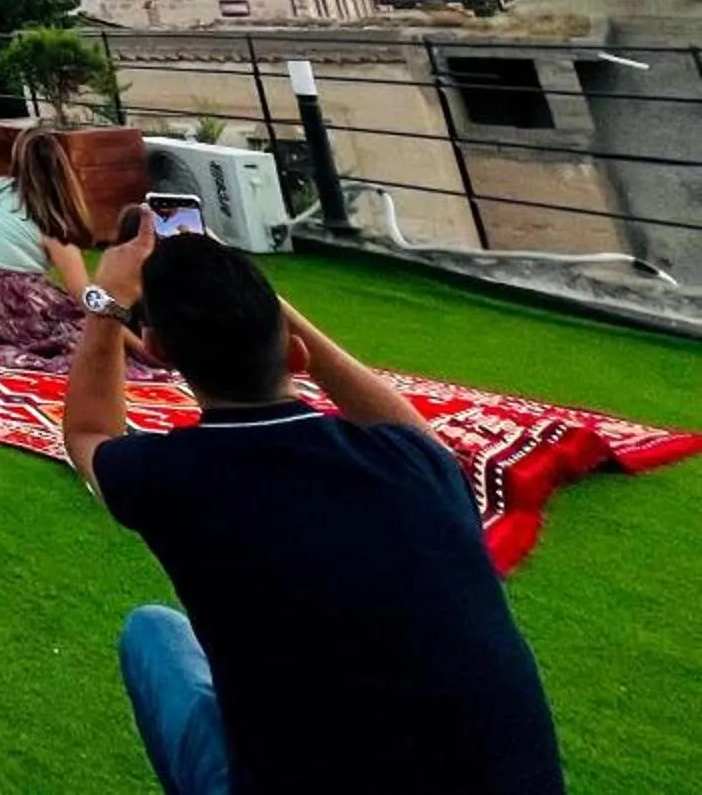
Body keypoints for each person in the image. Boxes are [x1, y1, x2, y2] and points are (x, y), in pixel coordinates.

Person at [64, 218, 563, 795]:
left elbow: (88, 432)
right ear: (295, 350)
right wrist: (269, 306)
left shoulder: (176, 476)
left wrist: (107, 305)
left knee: (152, 634)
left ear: (157, 351)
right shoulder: (415, 465)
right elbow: (413, 430)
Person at [0, 128, 105, 370]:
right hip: (24, 317)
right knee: (101, 331)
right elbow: (85, 295)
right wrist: (120, 316)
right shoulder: (51, 221)